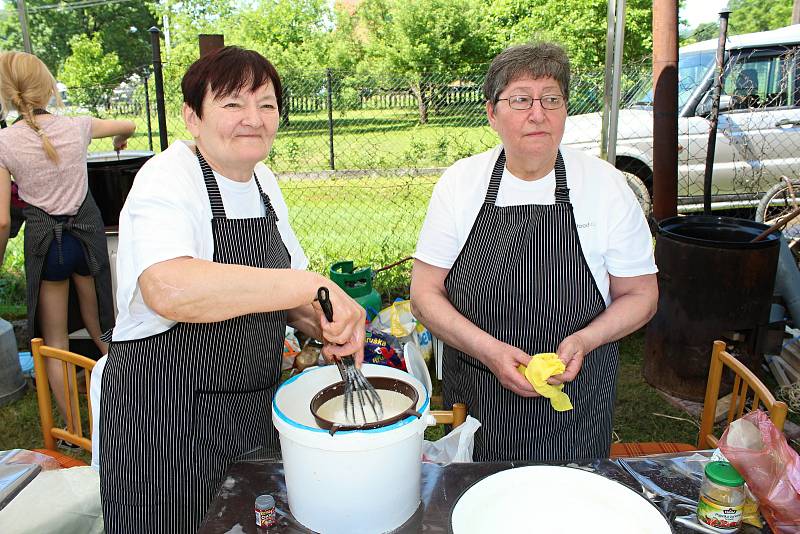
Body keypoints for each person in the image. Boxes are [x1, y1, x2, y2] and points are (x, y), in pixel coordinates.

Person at [98, 46, 366, 532]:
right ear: (191, 116)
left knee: (245, 520)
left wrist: (327, 322)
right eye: (232, 104)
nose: (253, 119)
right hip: (165, 413)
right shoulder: (167, 177)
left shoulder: (264, 183)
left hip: (247, 405)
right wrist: (310, 284)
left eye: (266, 105)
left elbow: (291, 299)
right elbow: (170, 289)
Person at [410, 43, 658, 462]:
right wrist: (489, 351)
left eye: (551, 99)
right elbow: (425, 294)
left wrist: (586, 339)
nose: (537, 113)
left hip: (577, 402)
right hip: (477, 392)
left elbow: (641, 295)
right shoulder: (461, 184)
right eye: (521, 99)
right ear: (491, 113)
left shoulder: (606, 185)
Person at [0, 51, 135, 422]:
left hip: (49, 248)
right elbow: (130, 124)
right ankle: (126, 404)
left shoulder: (5, 143)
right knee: (101, 330)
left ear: (8, 94)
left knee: (56, 342)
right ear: (47, 88)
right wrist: (120, 140)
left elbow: (0, 221)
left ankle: (76, 424)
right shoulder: (78, 127)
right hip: (86, 243)